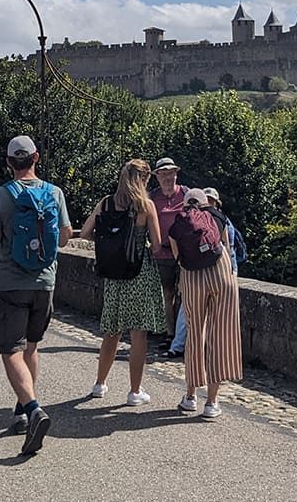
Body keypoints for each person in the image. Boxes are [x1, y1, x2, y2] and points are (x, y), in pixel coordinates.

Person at [0, 135, 73, 456]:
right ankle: (22, 409)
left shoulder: (0, 195)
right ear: (36, 157)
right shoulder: (55, 192)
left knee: (10, 350)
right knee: (31, 346)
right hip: (45, 284)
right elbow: (63, 238)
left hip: (12, 283)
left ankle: (32, 409)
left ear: (9, 162)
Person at [79, 159, 163, 405]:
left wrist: (111, 242)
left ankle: (100, 384)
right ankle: (134, 391)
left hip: (113, 275)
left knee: (111, 332)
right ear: (145, 179)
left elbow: (84, 233)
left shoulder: (105, 203)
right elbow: (156, 245)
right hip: (138, 274)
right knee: (138, 334)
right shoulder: (145, 206)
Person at [168, 188, 242, 420]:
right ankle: (212, 402)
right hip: (221, 276)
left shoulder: (178, 224)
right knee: (220, 336)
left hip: (192, 277)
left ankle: (190, 396)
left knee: (195, 334)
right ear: (205, 203)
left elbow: (178, 257)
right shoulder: (218, 217)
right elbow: (228, 250)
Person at [150, 157, 187, 341]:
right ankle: (170, 333)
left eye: (171, 173)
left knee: (185, 294)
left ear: (176, 174)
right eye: (163, 174)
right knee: (167, 294)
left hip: (185, 254)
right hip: (161, 253)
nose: (167, 177)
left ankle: (182, 335)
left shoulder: (186, 194)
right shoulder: (152, 198)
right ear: (157, 176)